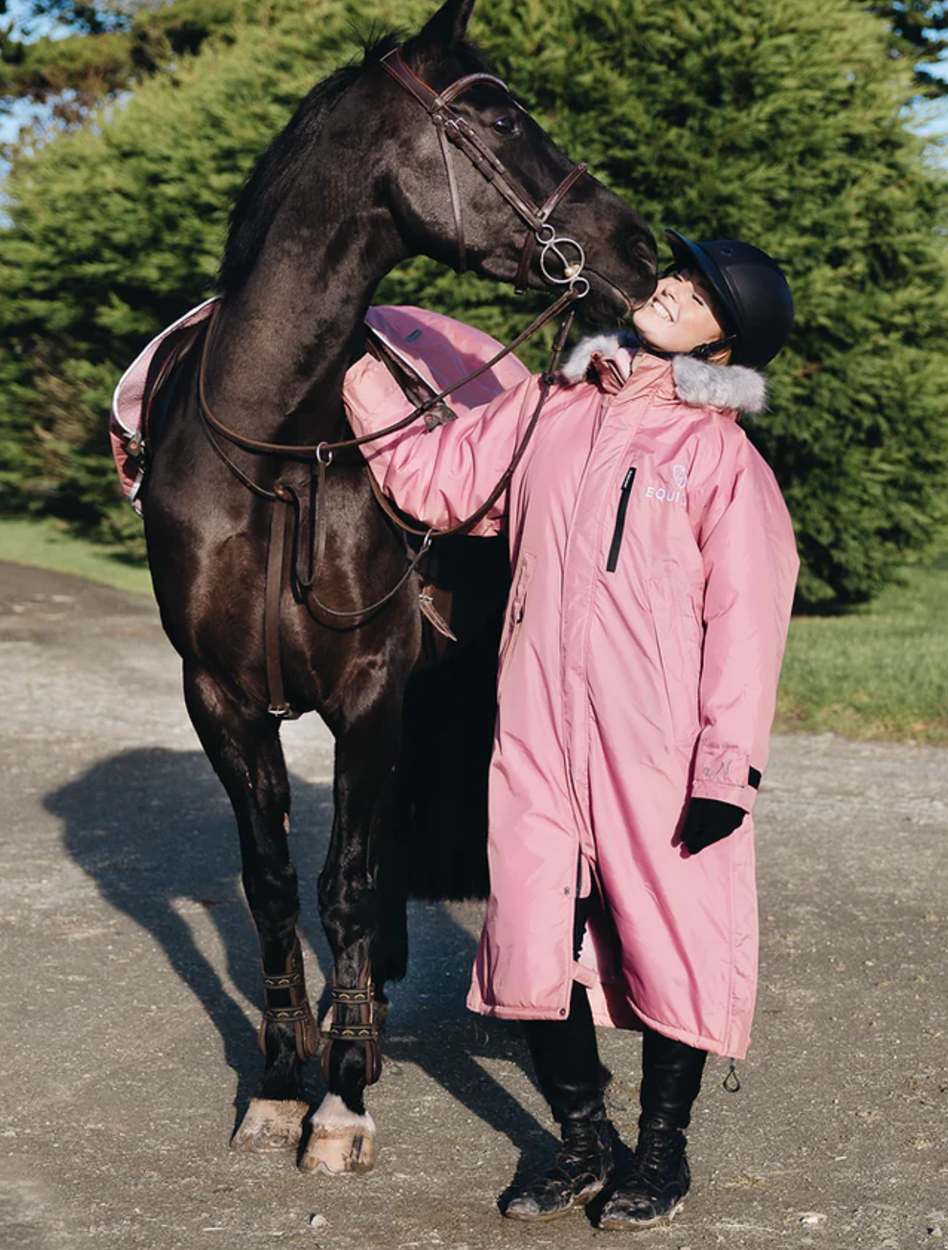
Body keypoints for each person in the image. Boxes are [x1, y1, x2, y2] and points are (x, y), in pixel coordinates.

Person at [341, 230, 800, 1230]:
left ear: (730, 342)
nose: (671, 289)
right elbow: (438, 480)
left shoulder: (720, 455)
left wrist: (725, 766)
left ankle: (663, 1150)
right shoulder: (551, 406)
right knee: (532, 929)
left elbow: (749, 619)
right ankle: (583, 1138)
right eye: (676, 275)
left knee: (672, 933)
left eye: (700, 293)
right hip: (539, 720)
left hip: (659, 739)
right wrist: (352, 366)